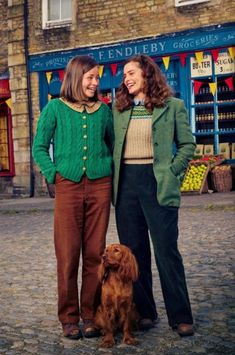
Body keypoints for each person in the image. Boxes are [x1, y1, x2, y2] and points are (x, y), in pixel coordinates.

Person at [112, 54, 196, 337]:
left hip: (158, 182)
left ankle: (181, 316)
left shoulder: (173, 106)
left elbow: (187, 145)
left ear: (147, 74)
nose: (126, 78)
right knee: (134, 254)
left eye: (131, 72)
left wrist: (172, 172)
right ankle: (146, 312)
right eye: (124, 74)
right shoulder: (119, 109)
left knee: (166, 251)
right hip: (126, 187)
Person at [33, 55, 114, 339]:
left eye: (97, 78)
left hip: (100, 185)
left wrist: (111, 180)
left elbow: (112, 146)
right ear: (75, 77)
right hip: (67, 186)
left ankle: (90, 315)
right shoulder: (54, 108)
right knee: (68, 255)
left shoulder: (104, 111)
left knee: (95, 254)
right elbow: (39, 147)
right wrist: (53, 174)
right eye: (90, 77)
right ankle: (69, 318)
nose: (95, 83)